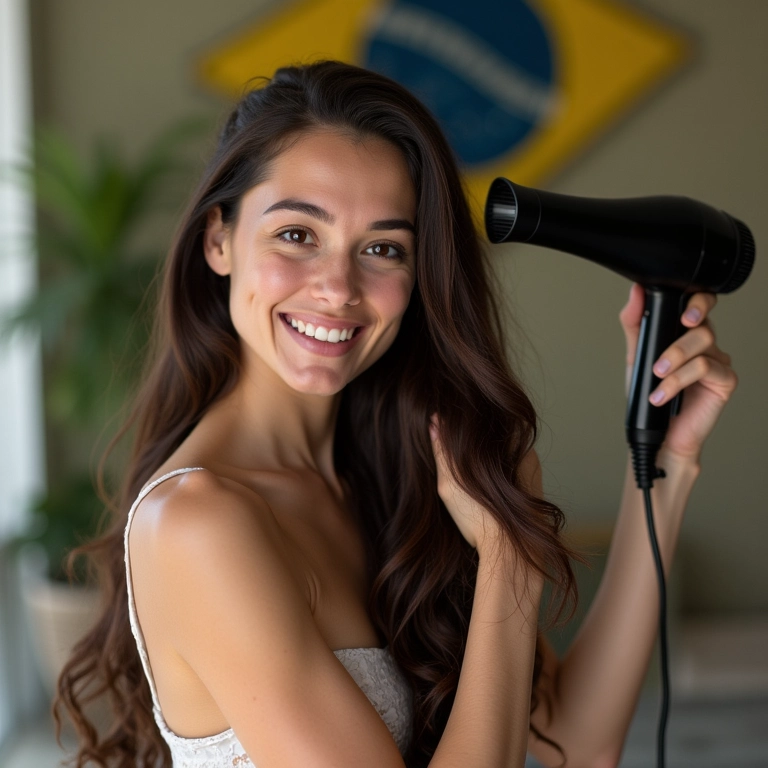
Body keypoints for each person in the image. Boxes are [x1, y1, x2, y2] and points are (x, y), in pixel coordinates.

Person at [55, 60, 738, 768]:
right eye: (297, 234)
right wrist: (510, 561)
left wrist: (662, 465)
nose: (338, 288)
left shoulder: (411, 479)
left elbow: (577, 742)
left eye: (382, 248)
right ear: (218, 240)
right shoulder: (197, 521)